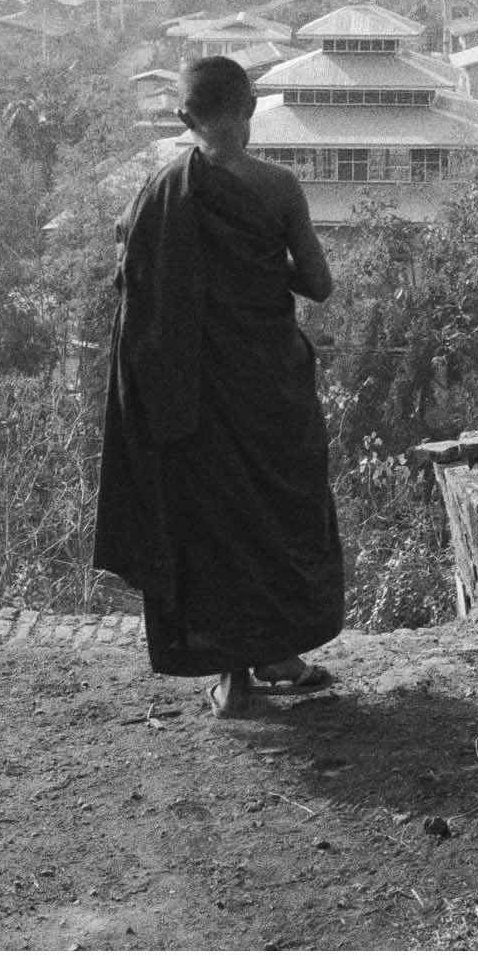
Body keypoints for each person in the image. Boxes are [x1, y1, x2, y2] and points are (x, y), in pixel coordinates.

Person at [94, 54, 343, 717]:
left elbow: (133, 265)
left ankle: (235, 678)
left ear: (183, 118)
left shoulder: (158, 193)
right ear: (252, 110)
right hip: (267, 388)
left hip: (193, 391)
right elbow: (318, 284)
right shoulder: (278, 188)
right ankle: (281, 653)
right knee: (277, 515)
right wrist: (266, 266)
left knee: (213, 526)